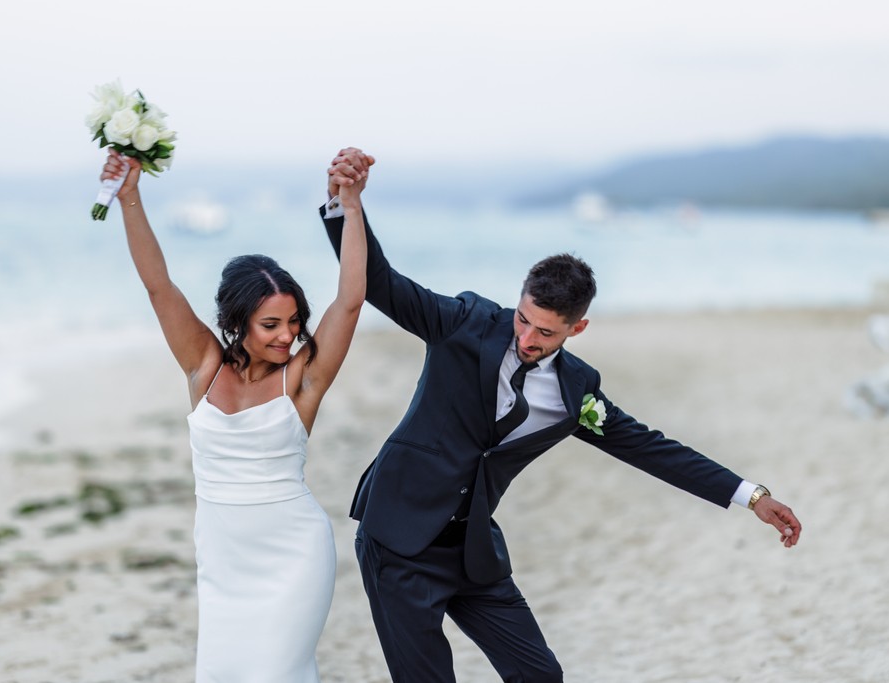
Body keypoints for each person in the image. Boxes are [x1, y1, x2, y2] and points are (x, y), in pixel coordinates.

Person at [321, 148, 802, 683]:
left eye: (545, 332)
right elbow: (381, 283)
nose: (526, 339)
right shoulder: (463, 322)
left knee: (542, 677)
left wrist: (750, 496)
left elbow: (652, 448)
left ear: (578, 329)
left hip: (473, 553)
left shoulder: (577, 392)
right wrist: (348, 206)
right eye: (523, 320)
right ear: (518, 300)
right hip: (398, 538)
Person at [100, 146, 372, 682]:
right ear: (238, 321)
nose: (288, 335)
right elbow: (159, 287)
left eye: (294, 322)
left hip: (293, 554)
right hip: (222, 561)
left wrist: (351, 206)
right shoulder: (202, 367)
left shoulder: (302, 379)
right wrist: (130, 198)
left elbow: (350, 300)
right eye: (271, 324)